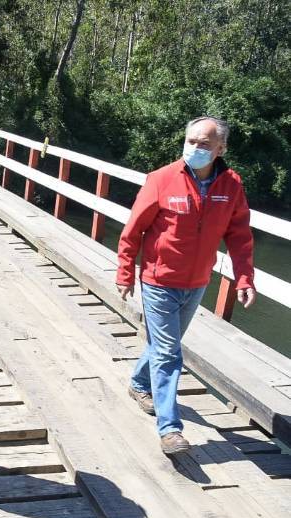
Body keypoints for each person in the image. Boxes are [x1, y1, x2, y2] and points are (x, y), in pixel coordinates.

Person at [116, 116, 255, 455]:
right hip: (159, 279)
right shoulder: (162, 179)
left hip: (196, 282)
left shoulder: (231, 185)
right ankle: (170, 430)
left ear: (220, 149)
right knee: (169, 352)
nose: (194, 148)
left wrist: (244, 276)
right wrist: (125, 272)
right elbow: (133, 229)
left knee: (166, 344)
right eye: (190, 141)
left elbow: (239, 236)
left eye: (204, 143)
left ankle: (138, 383)